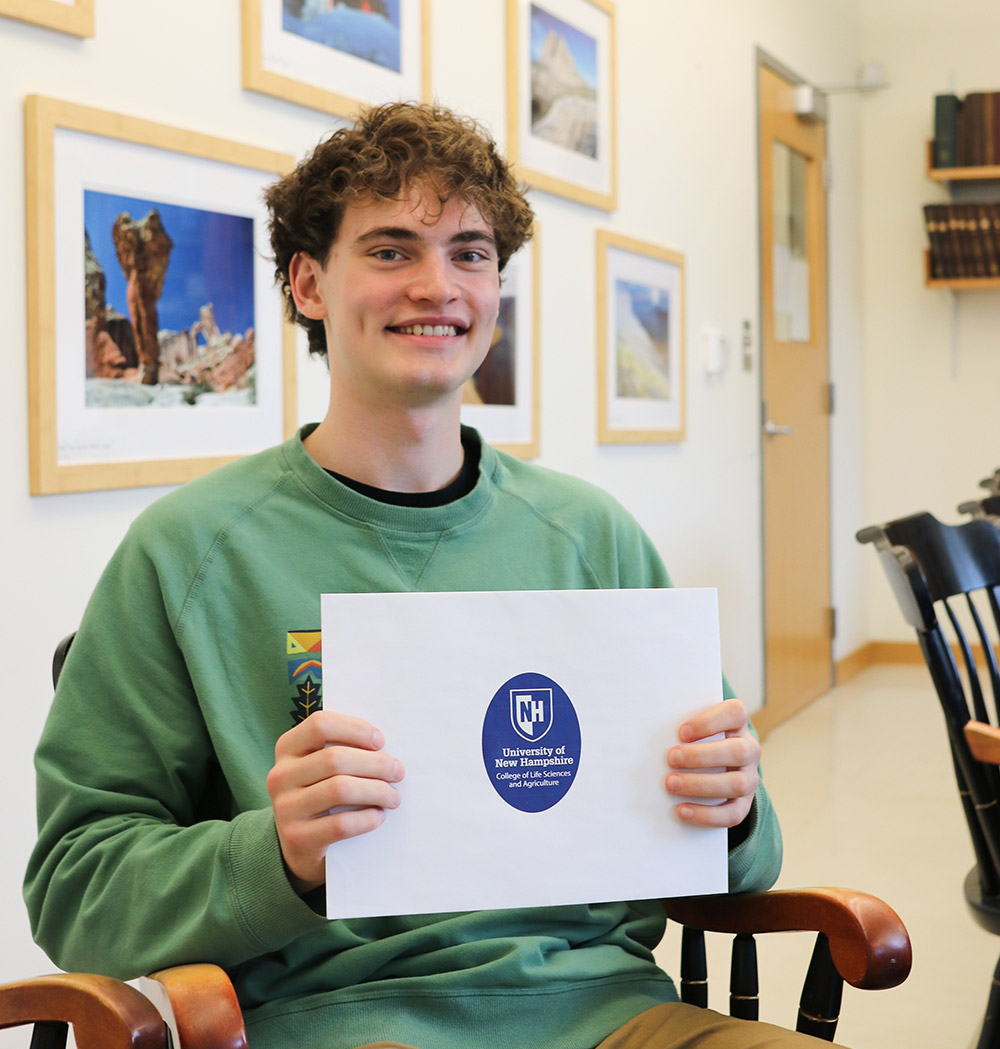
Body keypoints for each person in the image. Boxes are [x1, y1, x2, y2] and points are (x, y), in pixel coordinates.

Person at [24, 102, 835, 1049]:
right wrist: (276, 853)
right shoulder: (187, 551)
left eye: (470, 253)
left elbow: (751, 858)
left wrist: (732, 806)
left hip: (615, 1010)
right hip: (341, 1020)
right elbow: (75, 889)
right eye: (391, 249)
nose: (437, 285)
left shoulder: (594, 538)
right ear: (309, 282)